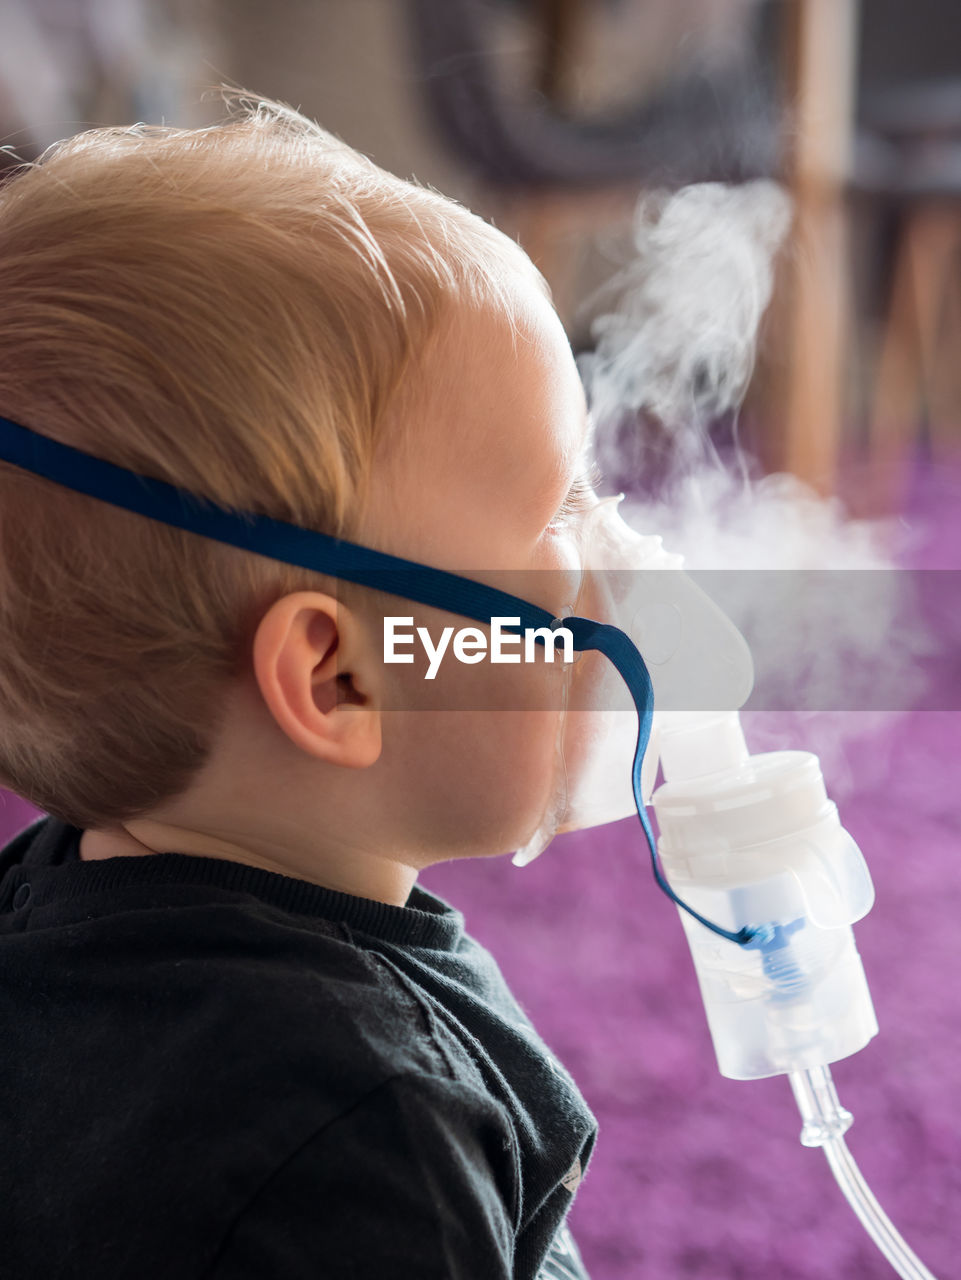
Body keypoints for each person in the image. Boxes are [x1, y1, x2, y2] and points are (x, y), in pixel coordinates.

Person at [0, 97, 605, 1278]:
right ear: (334, 675)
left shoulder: (45, 918)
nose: (610, 561)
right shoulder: (369, 1133)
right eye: (554, 510)